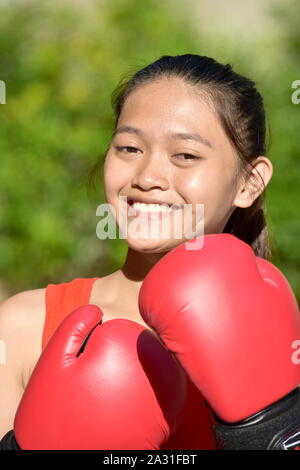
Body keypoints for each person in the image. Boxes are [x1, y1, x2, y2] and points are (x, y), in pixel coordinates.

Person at [0, 54, 274, 448]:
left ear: (249, 183)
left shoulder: (282, 347)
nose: (147, 177)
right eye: (129, 148)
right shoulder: (23, 327)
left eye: (185, 155)